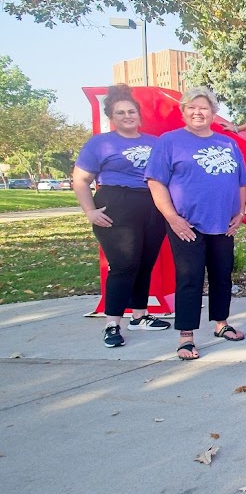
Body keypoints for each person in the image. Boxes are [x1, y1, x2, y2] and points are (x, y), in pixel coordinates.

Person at [146, 87, 246, 360]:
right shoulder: (170, 141)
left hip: (223, 223)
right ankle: (186, 336)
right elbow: (156, 182)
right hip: (186, 224)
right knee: (189, 278)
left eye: (204, 108)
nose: (198, 112)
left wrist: (240, 213)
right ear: (183, 112)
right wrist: (172, 218)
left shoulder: (228, 144)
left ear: (213, 113)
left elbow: (241, 182)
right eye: (191, 107)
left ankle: (221, 323)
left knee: (222, 275)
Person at [73, 84, 171, 348]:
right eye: (120, 112)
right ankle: (112, 324)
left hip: (152, 204)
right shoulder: (100, 143)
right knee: (124, 265)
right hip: (116, 203)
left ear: (138, 114)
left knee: (145, 263)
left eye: (131, 111)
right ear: (111, 117)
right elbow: (80, 180)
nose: (127, 116)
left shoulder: (155, 142)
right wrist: (89, 211)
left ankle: (140, 316)